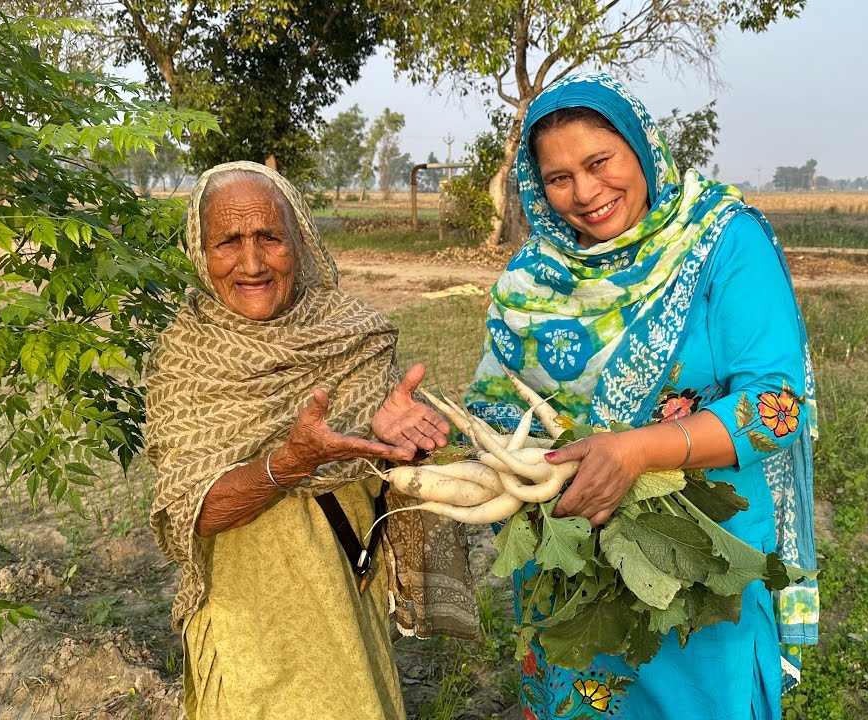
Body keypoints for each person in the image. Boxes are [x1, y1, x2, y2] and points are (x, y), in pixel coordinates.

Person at [465, 74, 819, 720]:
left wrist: (637, 452)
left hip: (699, 573)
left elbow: (779, 407)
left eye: (600, 162)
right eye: (558, 177)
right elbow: (491, 410)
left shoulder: (720, 244)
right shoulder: (531, 279)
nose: (586, 194)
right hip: (571, 577)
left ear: (641, 148)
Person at [145, 161, 478, 720]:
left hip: (348, 592)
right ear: (199, 253)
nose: (251, 263)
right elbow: (192, 513)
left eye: (269, 237)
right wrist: (289, 462)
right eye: (227, 241)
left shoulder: (351, 333)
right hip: (251, 615)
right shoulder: (184, 361)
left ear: (298, 239)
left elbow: (382, 472)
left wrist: (384, 438)